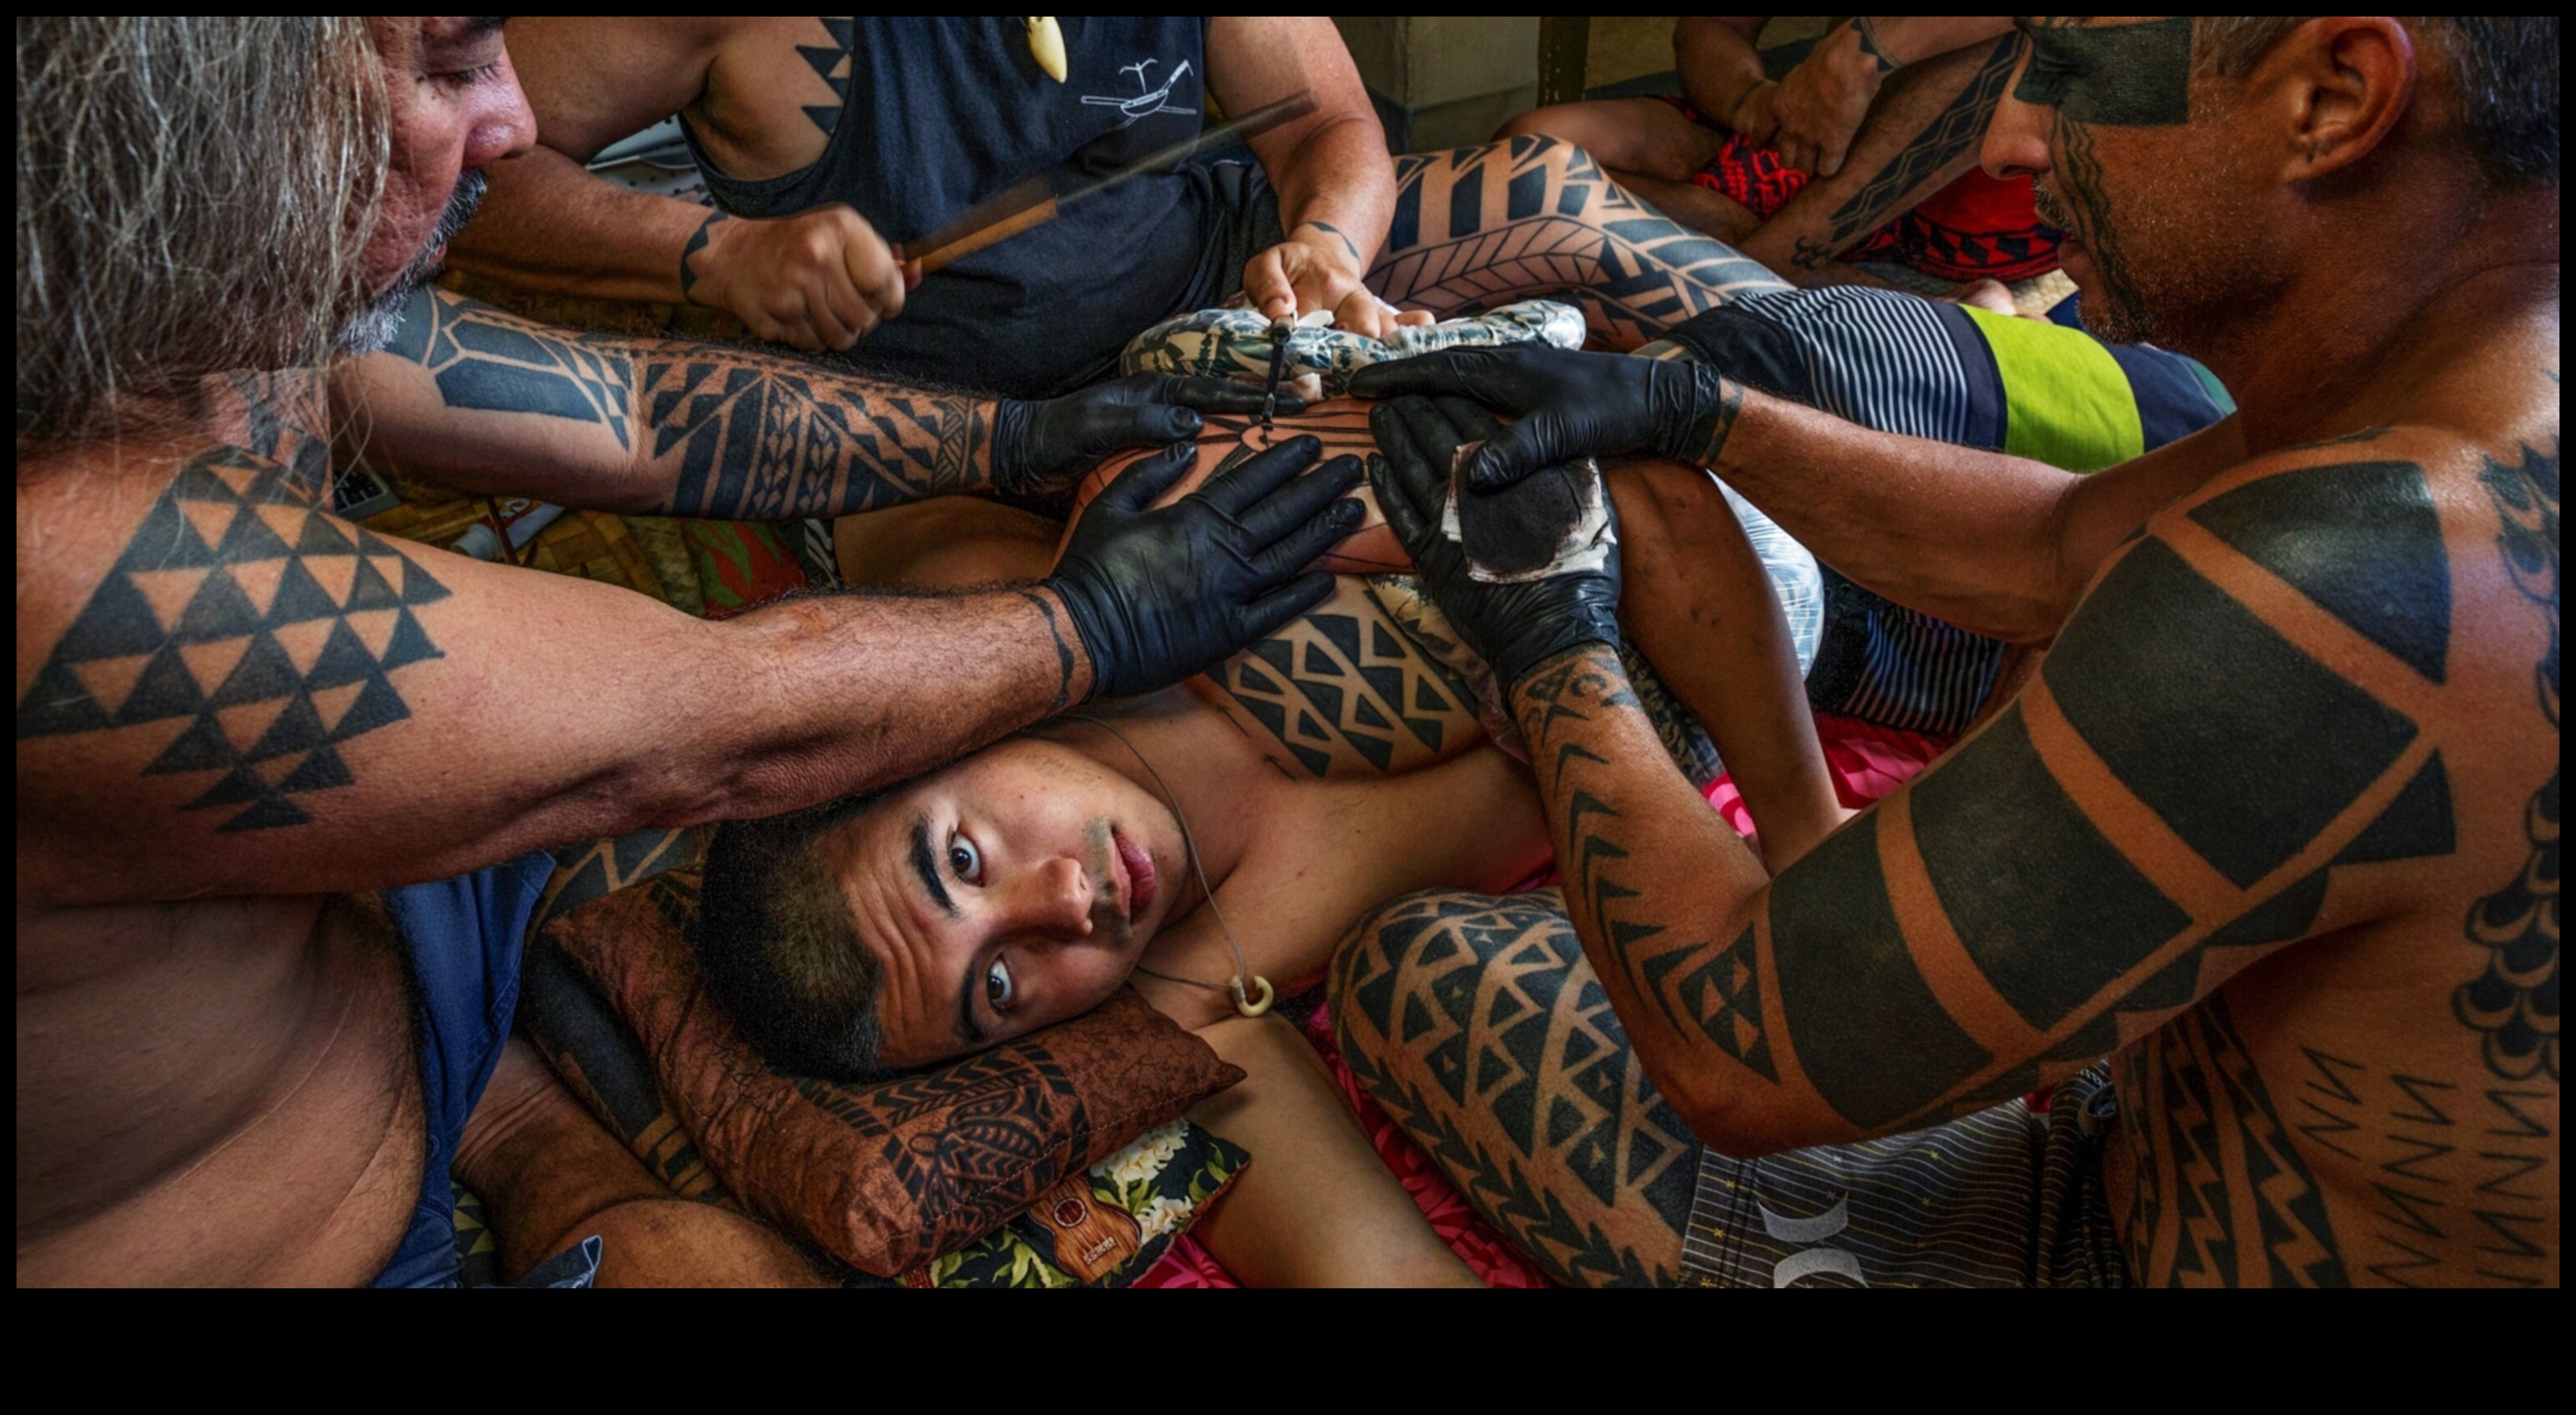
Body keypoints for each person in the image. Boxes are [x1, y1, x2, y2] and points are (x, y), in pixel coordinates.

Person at [16, 16, 1358, 1287]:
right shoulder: (67, 561)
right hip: (303, 1220)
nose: (512, 119)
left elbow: (639, 411)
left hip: (387, 944)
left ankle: (529, 1125)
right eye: (453, 65)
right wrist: (1088, 623)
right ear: (218, 106)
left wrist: (1011, 441)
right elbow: (701, 728)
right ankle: (534, 1139)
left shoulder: (227, 303)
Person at [1344, 16, 2559, 1287]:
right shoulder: (2453, 406)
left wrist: (1548, 625)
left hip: (2110, 1251)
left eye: (2073, 74)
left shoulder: (2342, 584)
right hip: (2137, 1136)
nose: (2014, 140)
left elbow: (1735, 1052)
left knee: (1421, 975)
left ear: (2336, 96)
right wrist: (1694, 411)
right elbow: (2052, 543)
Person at [459, 401, 1863, 1284]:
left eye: (963, 858)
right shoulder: (1198, 1000)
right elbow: (1368, 1263)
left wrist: (1802, 834)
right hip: (1811, 651)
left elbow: (1622, 486)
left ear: (928, 738)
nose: (1067, 903)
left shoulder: (1147, 543)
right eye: (998, 987)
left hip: (1774, 460)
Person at [448, 17, 1783, 397]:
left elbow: (1326, 122)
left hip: (1213, 273)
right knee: (1047, 623)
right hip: (946, 405)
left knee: (1555, 196)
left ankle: (1877, 403)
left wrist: (1325, 245)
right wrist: (714, 253)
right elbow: (461, 171)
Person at [1504, 18, 2055, 305]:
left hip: (1980, 211)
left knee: (2017, 40)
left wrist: (1857, 56)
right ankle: (1772, 254)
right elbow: (1713, 28)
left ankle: (1763, 265)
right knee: (1526, 152)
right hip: (1824, 150)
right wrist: (1751, 103)